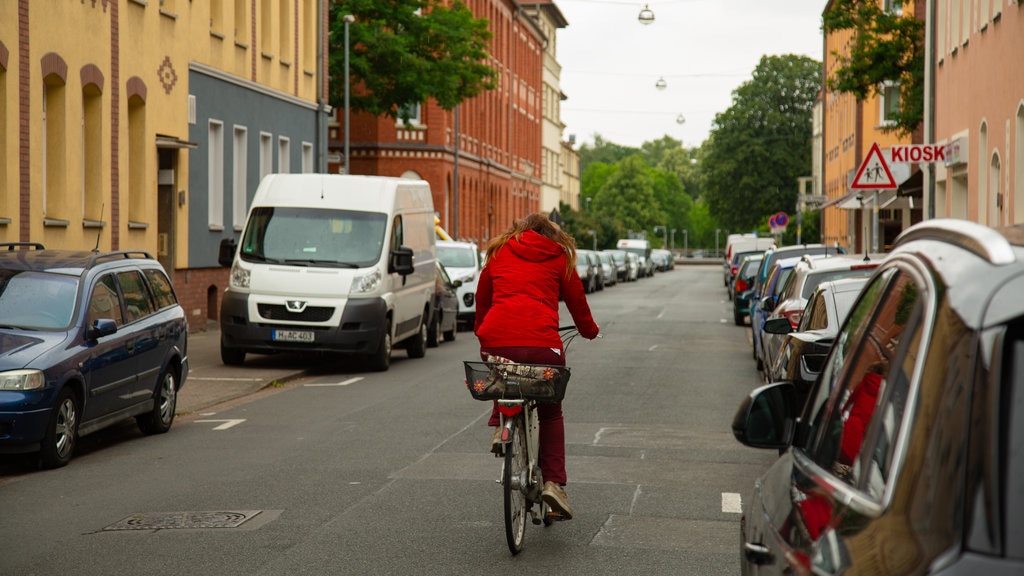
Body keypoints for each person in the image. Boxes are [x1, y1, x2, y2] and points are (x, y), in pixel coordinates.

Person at [474, 213, 600, 520]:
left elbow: (482, 299)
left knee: (502, 370)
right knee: (551, 410)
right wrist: (590, 331)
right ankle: (553, 483)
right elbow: (578, 304)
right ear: (551, 235)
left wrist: (483, 330)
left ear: (519, 230)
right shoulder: (558, 258)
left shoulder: (499, 252)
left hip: (498, 340)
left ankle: (501, 421)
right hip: (543, 346)